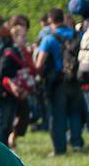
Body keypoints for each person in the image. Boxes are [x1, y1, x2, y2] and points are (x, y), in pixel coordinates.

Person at [35, 8, 83, 155]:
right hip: (76, 80)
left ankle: (60, 149)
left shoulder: (49, 39)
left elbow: (39, 64)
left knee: (58, 116)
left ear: (50, 21)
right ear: (63, 18)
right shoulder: (77, 35)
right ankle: (77, 144)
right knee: (75, 113)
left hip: (58, 82)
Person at [1, 17, 37, 149]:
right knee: (7, 120)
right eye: (22, 36)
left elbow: (32, 68)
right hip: (10, 90)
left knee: (23, 117)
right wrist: (13, 83)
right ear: (14, 37)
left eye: (25, 35)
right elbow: (3, 71)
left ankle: (13, 137)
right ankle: (7, 143)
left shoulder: (23, 51)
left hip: (23, 89)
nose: (25, 38)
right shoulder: (9, 51)